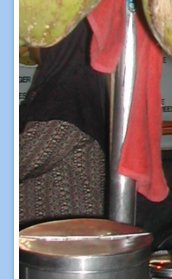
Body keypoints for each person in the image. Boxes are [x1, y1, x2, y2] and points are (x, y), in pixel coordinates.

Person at [19, 18, 110, 226]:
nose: (30, 47)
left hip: (64, 239)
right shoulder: (64, 85)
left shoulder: (68, 91)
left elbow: (26, 156)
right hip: (55, 236)